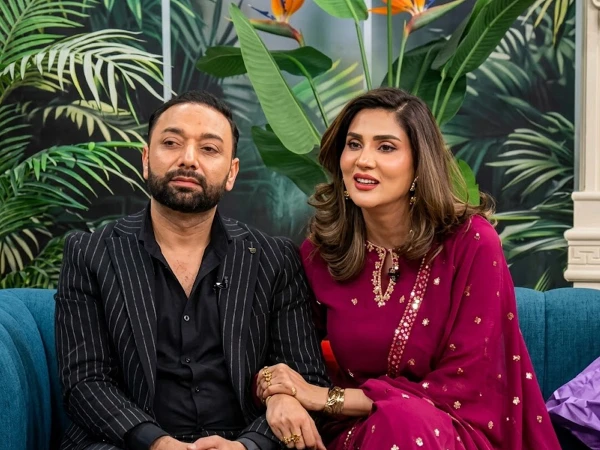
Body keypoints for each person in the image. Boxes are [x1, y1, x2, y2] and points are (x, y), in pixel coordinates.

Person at [256, 88, 562, 449]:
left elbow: (464, 385)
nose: (363, 160)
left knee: (402, 422)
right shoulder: (323, 254)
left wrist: (328, 398)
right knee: (396, 422)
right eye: (354, 144)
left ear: (419, 163)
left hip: (456, 429)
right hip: (357, 432)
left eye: (386, 147)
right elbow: (280, 351)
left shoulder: (472, 244)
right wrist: (281, 394)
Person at [54, 90, 329, 450]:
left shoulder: (273, 259)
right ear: (146, 159)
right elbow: (84, 381)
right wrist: (157, 443)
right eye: (171, 143)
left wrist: (247, 446)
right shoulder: (90, 253)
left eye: (209, 148)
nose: (188, 159)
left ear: (231, 173)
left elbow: (306, 378)